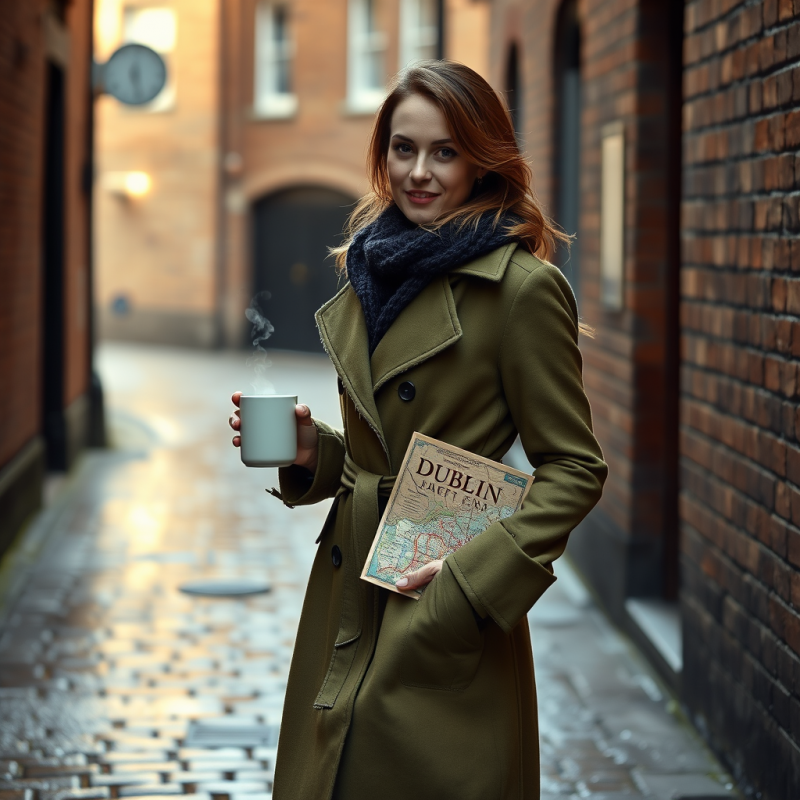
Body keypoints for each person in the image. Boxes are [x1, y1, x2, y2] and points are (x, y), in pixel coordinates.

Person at [229, 60, 607, 800]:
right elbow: (380, 458)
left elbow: (575, 468)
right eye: (404, 149)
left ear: (482, 160)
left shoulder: (522, 289)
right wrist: (315, 454)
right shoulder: (370, 268)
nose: (420, 173)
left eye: (445, 152)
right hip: (347, 593)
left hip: (440, 597)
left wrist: (471, 586)